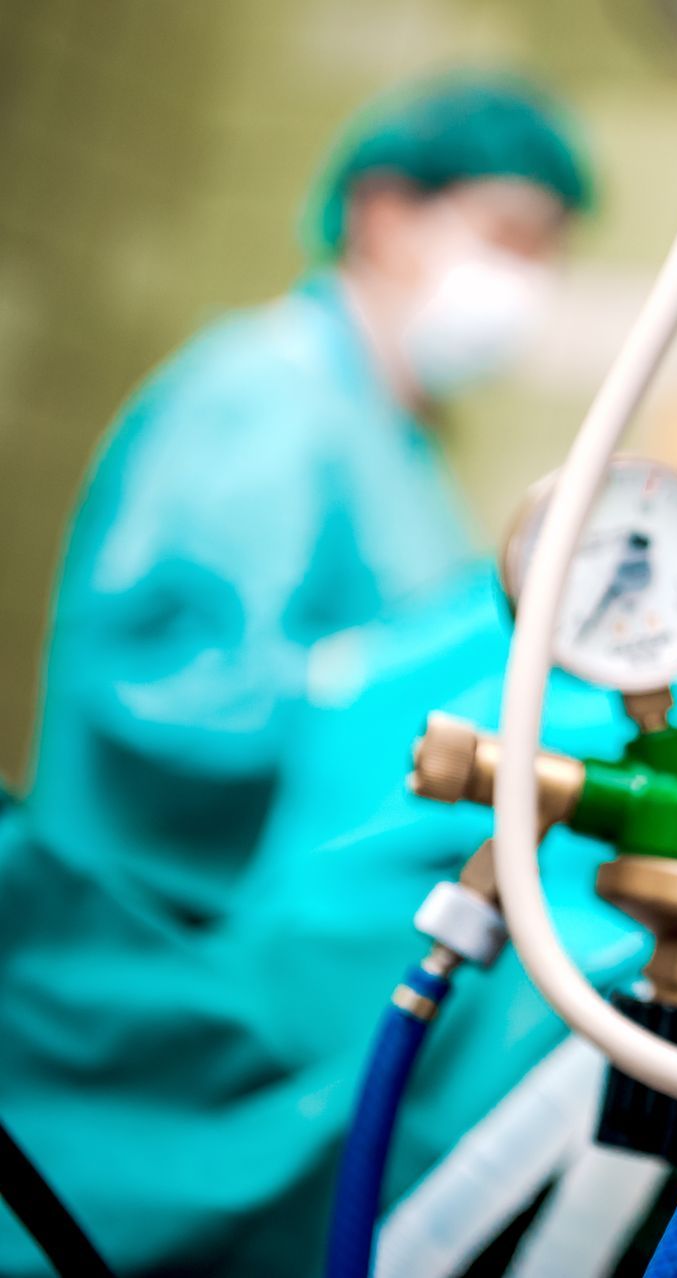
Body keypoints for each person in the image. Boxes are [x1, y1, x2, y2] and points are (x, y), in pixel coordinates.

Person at [23, 72, 590, 920]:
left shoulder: (390, 429)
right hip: (147, 935)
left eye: (549, 251)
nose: (527, 280)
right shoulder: (264, 395)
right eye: (509, 235)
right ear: (386, 216)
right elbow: (162, 689)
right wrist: (367, 695)